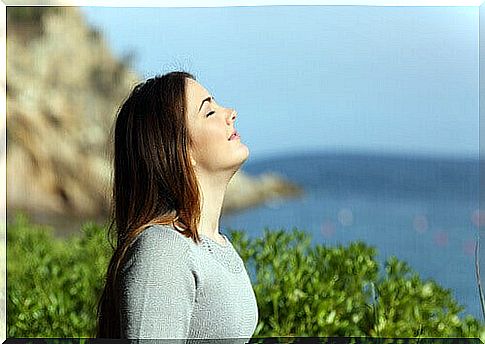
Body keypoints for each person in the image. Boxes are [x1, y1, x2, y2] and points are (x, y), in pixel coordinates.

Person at [95, 71, 258, 341]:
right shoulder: (163, 250)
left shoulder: (212, 244)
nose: (230, 113)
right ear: (179, 150)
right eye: (209, 112)